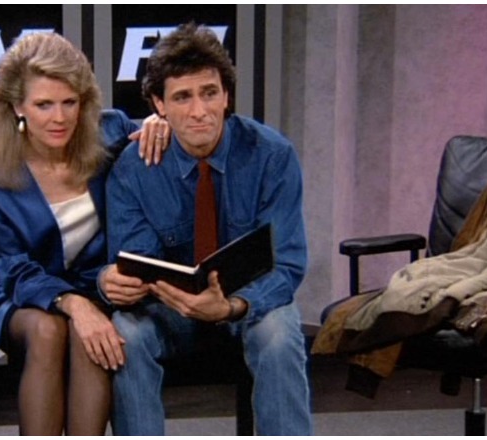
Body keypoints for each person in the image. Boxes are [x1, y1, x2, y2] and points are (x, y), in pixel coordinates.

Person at [100, 22, 313, 435]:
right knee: (128, 331)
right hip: (170, 310)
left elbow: (286, 265)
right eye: (182, 97)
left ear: (226, 96)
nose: (200, 111)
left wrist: (232, 306)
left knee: (279, 332)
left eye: (209, 93)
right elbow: (137, 261)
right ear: (159, 104)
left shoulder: (272, 156)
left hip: (247, 304)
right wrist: (120, 283)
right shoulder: (133, 169)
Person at [0, 32, 168, 435]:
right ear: (16, 106)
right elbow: (13, 268)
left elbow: (152, 137)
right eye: (44, 105)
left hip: (97, 287)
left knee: (93, 335)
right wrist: (73, 304)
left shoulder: (111, 133)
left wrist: (160, 123)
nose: (59, 118)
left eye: (69, 102)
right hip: (25, 292)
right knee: (49, 329)